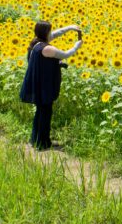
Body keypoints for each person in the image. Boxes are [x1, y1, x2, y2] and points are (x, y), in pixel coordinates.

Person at [19, 21, 82, 150]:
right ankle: (43, 143)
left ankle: (36, 140)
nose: (51, 33)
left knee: (40, 112)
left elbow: (57, 33)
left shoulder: (36, 42)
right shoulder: (47, 49)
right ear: (46, 32)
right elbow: (65, 54)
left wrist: (70, 27)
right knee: (45, 114)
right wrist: (77, 46)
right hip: (44, 86)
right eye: (50, 31)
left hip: (38, 83)